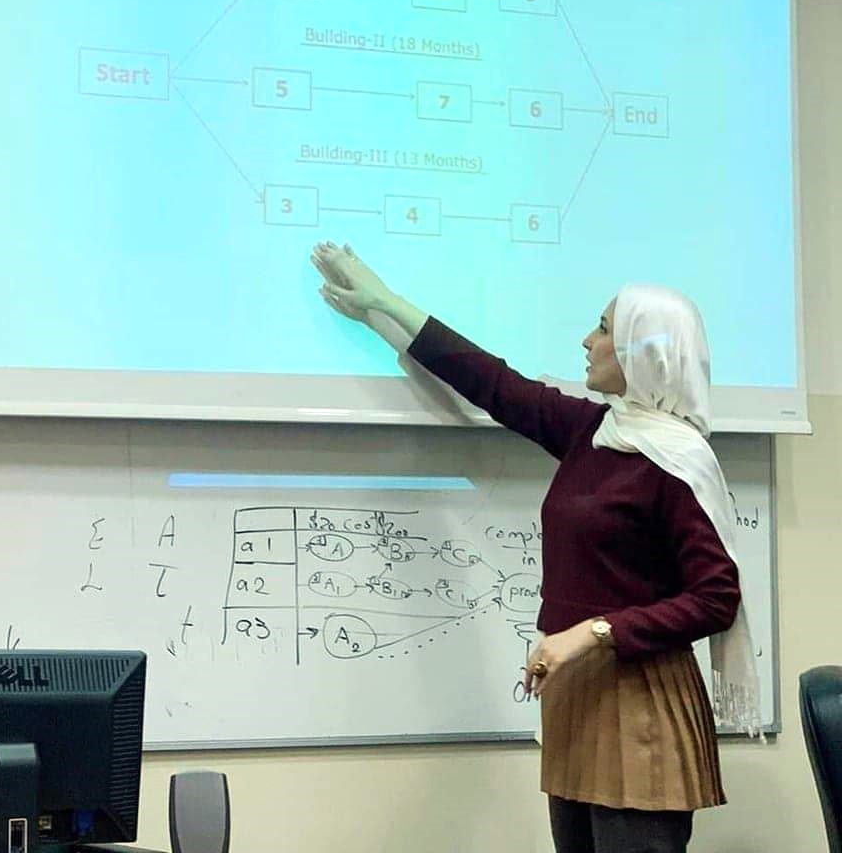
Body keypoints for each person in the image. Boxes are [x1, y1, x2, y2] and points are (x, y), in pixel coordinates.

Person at [310, 240, 761, 853]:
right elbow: (492, 381)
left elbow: (715, 600)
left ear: (640, 350)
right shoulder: (593, 431)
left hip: (642, 703)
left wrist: (593, 632)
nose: (586, 340)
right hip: (577, 694)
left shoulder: (677, 462)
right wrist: (387, 305)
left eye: (602, 329)